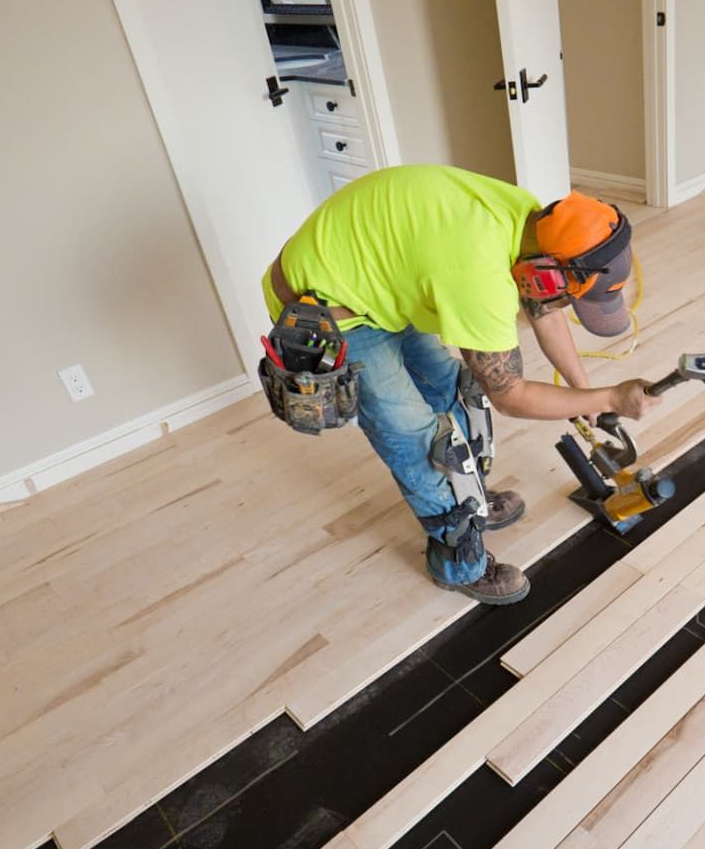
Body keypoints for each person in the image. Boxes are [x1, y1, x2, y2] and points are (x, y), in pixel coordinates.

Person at [265, 164, 662, 605]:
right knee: (417, 441)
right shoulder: (479, 275)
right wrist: (609, 397)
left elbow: (543, 308)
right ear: (549, 268)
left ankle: (469, 497)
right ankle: (458, 564)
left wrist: (584, 391)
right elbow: (511, 396)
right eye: (571, 293)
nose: (567, 302)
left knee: (459, 394)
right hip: (326, 306)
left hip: (374, 280)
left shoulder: (530, 222)